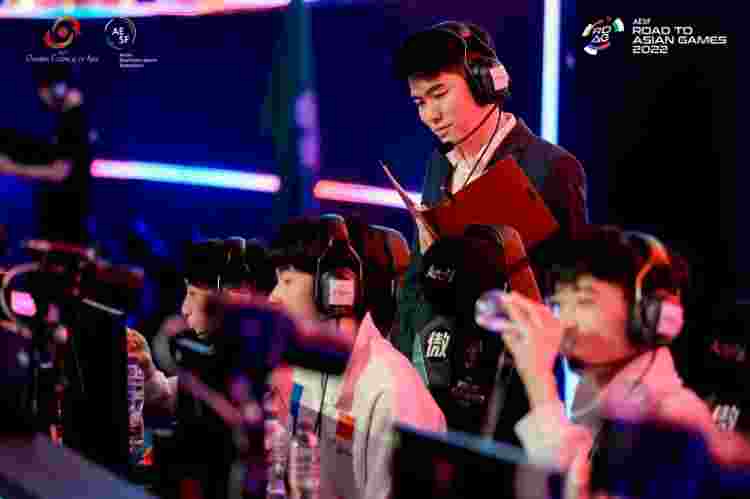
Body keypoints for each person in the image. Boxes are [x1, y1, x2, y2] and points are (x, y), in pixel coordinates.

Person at [390, 20, 589, 382]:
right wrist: (400, 367)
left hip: (513, 380)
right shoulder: (439, 163)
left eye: (439, 94)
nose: (430, 115)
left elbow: (572, 292)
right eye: (420, 102)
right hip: (438, 372)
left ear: (486, 82)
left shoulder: (553, 168)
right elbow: (416, 281)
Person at [489, 226, 750, 498]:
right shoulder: (595, 396)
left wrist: (538, 382)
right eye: (559, 303)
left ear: (643, 318)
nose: (564, 320)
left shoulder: (671, 422)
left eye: (584, 301)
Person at [266, 215, 446, 499]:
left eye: (287, 281)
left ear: (335, 287)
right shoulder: (307, 369)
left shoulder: (392, 393)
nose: (273, 297)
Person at [132, 237, 277, 499]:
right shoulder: (214, 364)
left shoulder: (268, 375)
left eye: (193, 295)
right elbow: (168, 395)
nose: (184, 309)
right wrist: (145, 370)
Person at [0, 64, 93, 245]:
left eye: (43, 90)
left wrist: (10, 168)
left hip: (65, 226)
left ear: (58, 88)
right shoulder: (68, 120)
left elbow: (60, 172)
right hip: (59, 222)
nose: (41, 97)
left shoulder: (75, 121)